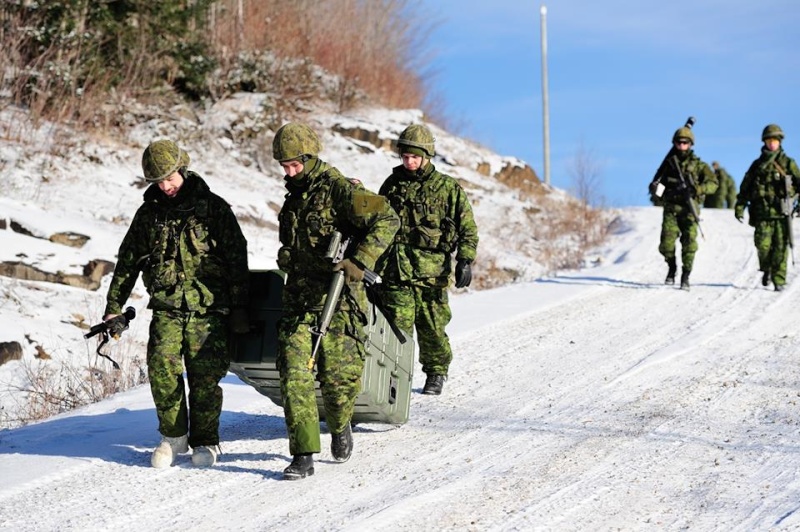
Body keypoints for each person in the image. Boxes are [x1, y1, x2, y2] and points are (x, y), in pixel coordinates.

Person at [103, 139, 250, 468]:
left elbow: (236, 257)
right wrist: (114, 306)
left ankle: (206, 440)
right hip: (167, 307)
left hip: (208, 309)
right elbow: (128, 261)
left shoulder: (212, 208)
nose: (166, 186)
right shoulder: (149, 215)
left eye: (170, 178)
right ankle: (173, 437)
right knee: (161, 370)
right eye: (158, 181)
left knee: (205, 376)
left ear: (182, 170)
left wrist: (240, 306)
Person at [272, 122, 399, 480]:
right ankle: (303, 455)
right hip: (299, 302)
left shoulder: (341, 190)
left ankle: (341, 424)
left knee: (337, 384)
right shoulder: (292, 199)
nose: (289, 171)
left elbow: (388, 218)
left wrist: (360, 260)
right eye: (284, 165)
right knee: (294, 375)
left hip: (340, 302)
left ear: (311, 157)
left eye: (295, 163)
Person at [376, 124, 479, 396]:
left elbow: (467, 227)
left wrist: (465, 260)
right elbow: (377, 222)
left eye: (415, 157)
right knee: (397, 328)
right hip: (395, 271)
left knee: (432, 327)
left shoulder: (447, 188)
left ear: (427, 156)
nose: (409, 162)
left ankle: (436, 371)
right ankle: (394, 378)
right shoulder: (392, 185)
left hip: (431, 274)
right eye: (405, 157)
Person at [648, 125, 717, 290]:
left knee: (689, 244)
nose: (682, 146)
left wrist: (697, 189)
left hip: (689, 210)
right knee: (666, 245)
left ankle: (686, 275)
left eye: (685, 143)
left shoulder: (699, 165)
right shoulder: (669, 164)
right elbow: (659, 184)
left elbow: (713, 184)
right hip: (671, 208)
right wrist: (656, 190)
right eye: (679, 143)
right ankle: (672, 268)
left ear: (691, 144)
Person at [734, 124, 800, 291]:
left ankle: (779, 280)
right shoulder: (757, 165)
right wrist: (740, 206)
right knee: (762, 246)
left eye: (775, 140)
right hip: (762, 213)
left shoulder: (788, 163)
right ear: (764, 142)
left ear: (780, 142)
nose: (772, 144)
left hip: (781, 213)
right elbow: (745, 188)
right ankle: (767, 268)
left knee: (780, 248)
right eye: (769, 140)